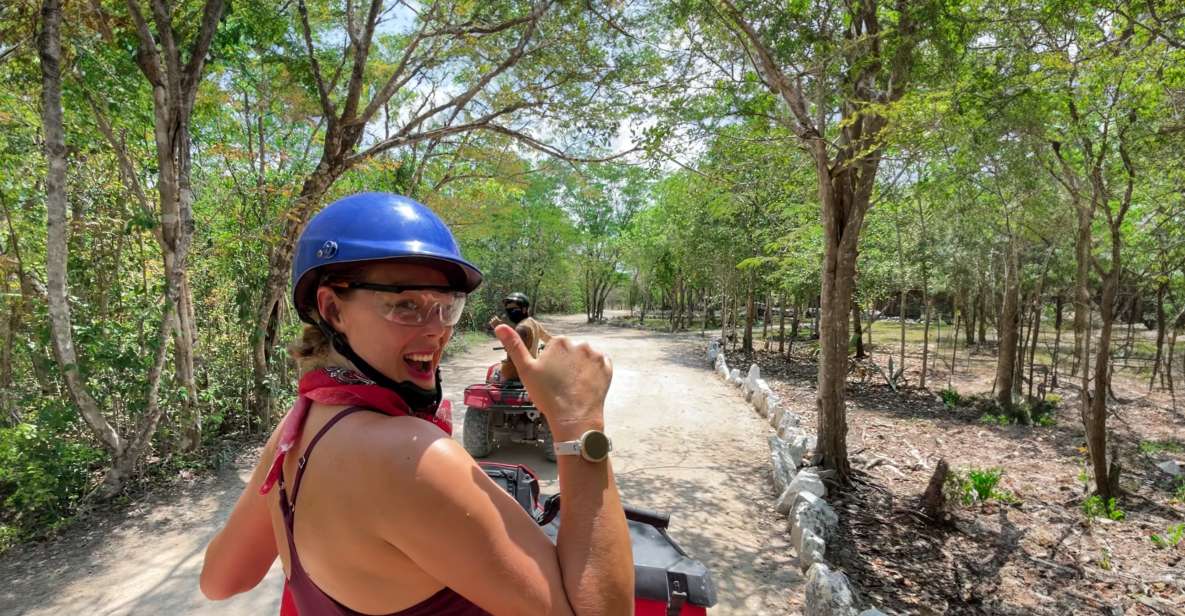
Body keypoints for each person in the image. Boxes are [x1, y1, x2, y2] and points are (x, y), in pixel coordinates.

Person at [199, 192, 634, 615]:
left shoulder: (298, 426)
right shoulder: (411, 458)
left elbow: (221, 580)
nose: (436, 330)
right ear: (332, 309)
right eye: (405, 304)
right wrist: (579, 420)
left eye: (447, 306)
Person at [488, 292, 552, 383]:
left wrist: (499, 329)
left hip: (515, 374)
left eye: (514, 310)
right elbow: (550, 340)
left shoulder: (521, 329)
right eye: (508, 310)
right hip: (532, 370)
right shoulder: (533, 323)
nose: (510, 313)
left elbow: (512, 353)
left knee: (492, 374)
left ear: (524, 309)